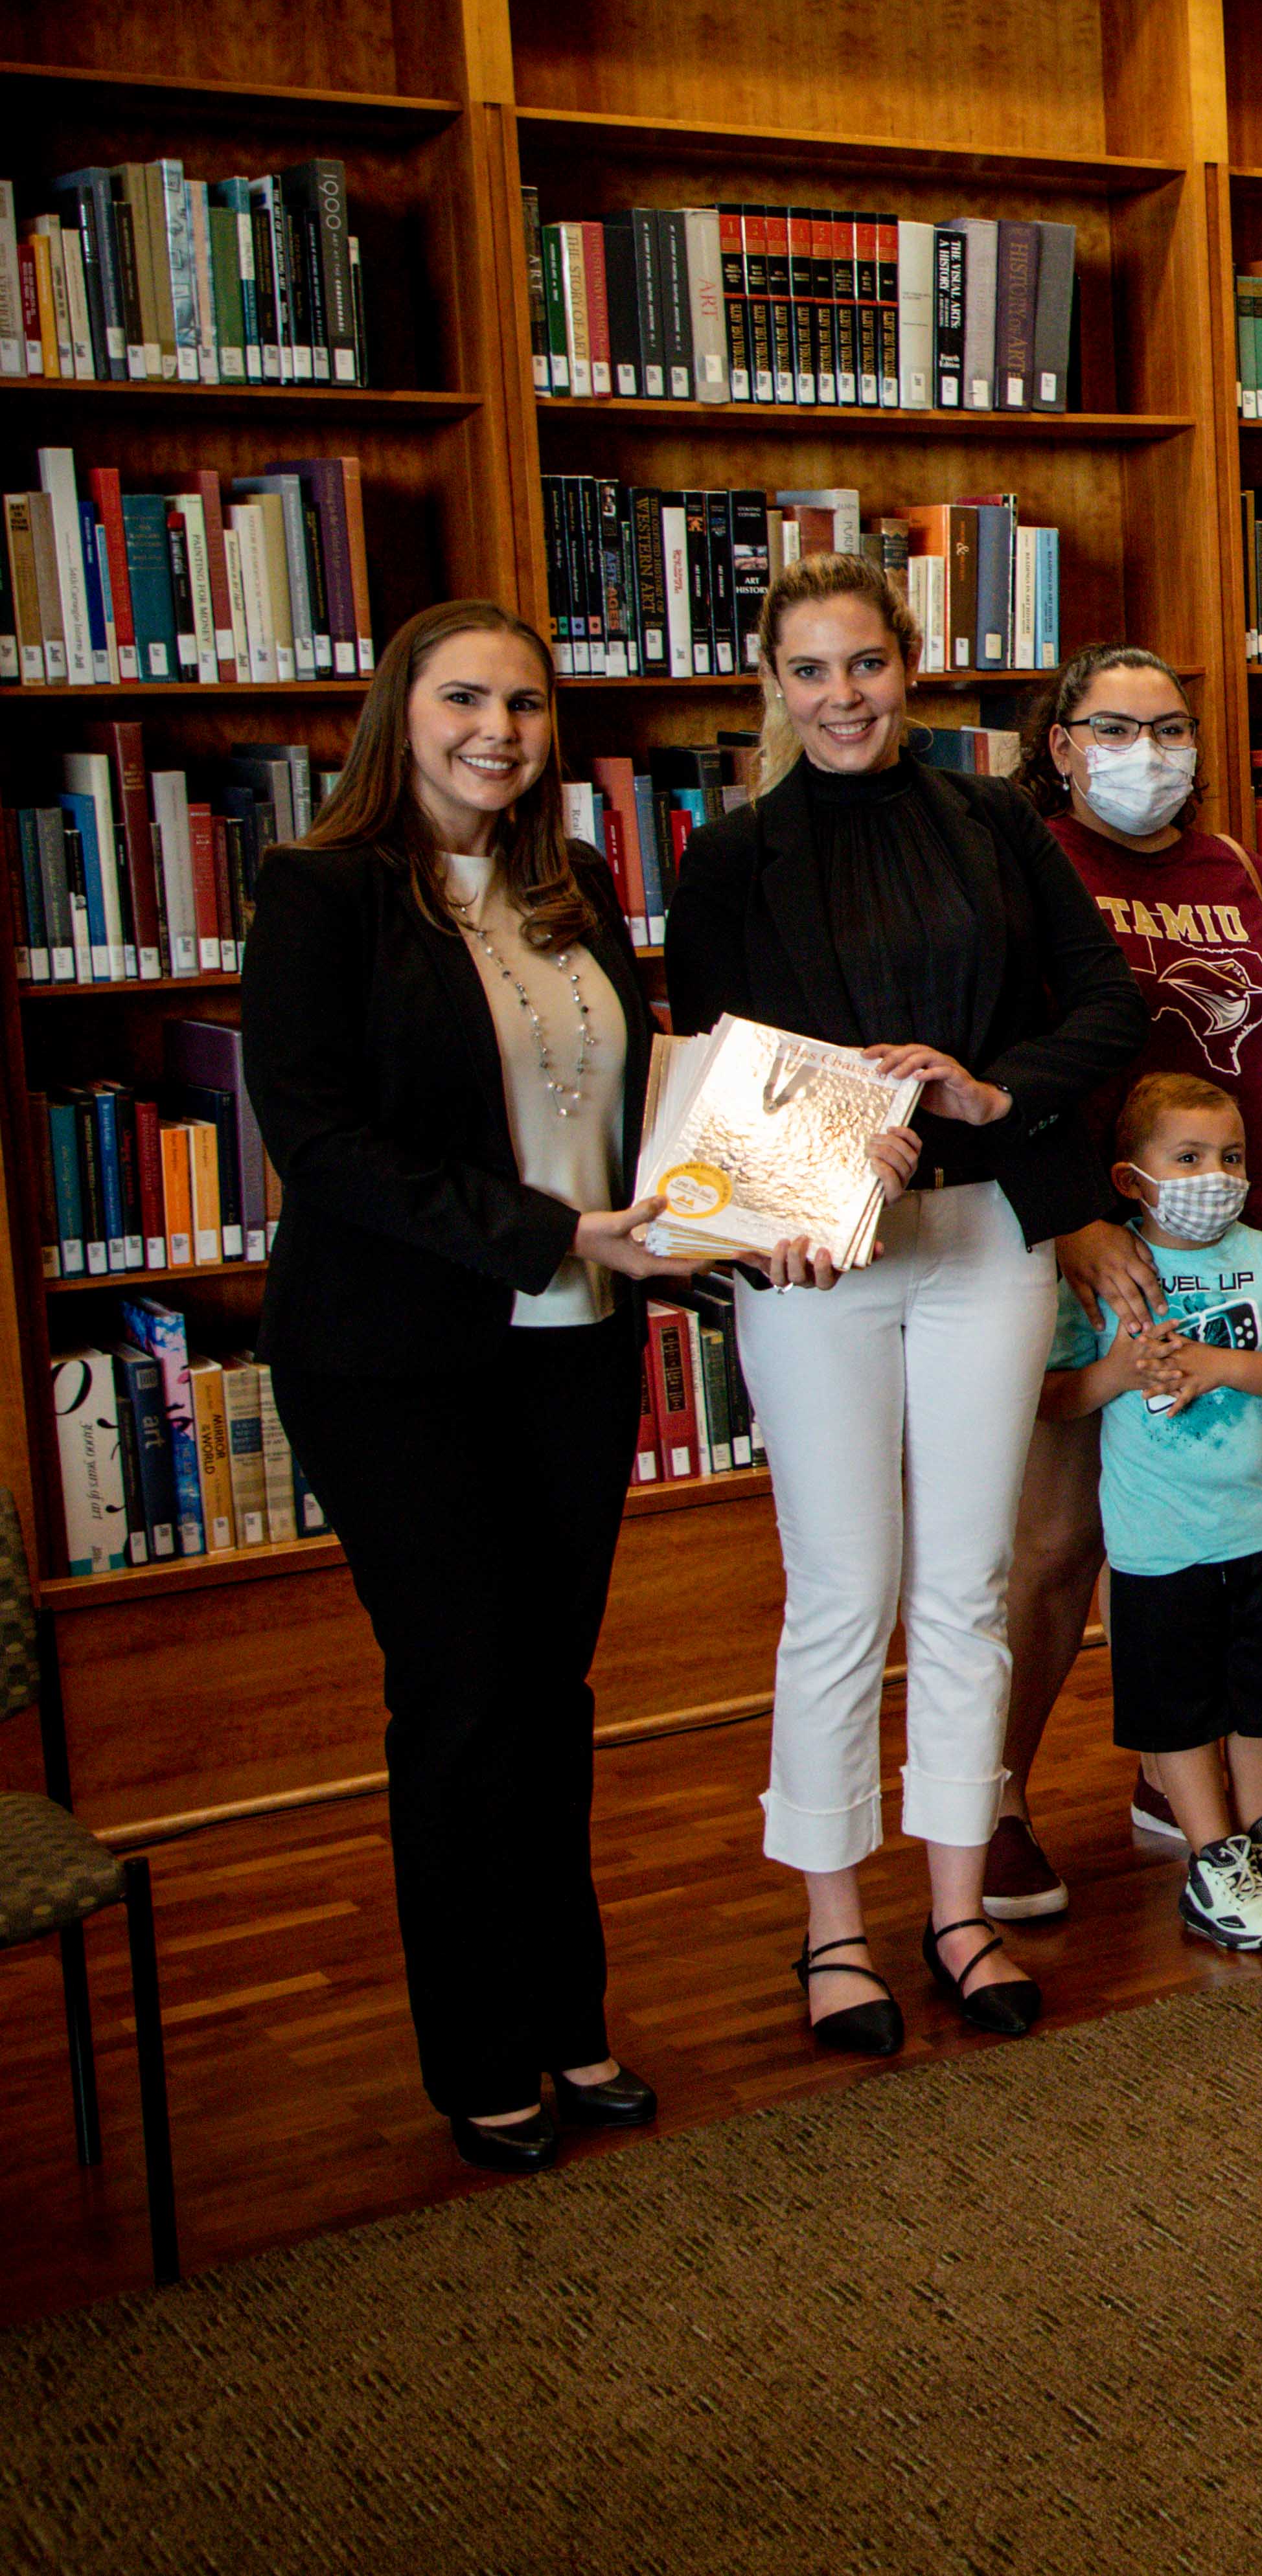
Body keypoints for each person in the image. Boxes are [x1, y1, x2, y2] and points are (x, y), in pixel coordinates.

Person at [666, 554, 1147, 2055]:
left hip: (983, 1241)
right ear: (775, 682)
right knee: (841, 1591)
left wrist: (994, 1092)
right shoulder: (729, 858)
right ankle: (832, 1927)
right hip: (824, 1261)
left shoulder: (999, 823)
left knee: (964, 1585)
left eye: (864, 664)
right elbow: (710, 1070)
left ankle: (954, 1906)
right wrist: (806, 1168)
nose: (841, 696)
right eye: (809, 670)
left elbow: (1106, 1009)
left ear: (911, 665)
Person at [246, 600, 702, 2174]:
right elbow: (317, 1137)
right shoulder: (321, 893)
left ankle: (571, 2017)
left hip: (573, 1343)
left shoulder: (564, 891)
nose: (497, 727)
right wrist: (548, 1231)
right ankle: (481, 2052)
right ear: (401, 710)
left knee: (552, 1693)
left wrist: (715, 1217)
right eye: (463, 697)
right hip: (393, 1355)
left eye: (523, 701)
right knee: (458, 1696)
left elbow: (629, 1108)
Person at [980, 644, 1262, 1924]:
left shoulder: (1230, 865)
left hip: (1224, 1239)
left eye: (1169, 726)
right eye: (1113, 726)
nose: (1146, 750)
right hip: (1090, 1240)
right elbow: (998, 1062)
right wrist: (1071, 1220)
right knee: (1062, 1544)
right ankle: (997, 1796)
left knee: (1209, 1530)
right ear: (1059, 741)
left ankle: (1174, 1784)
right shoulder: (1023, 860)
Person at [1039, 1074, 1262, 1952]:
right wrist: (1124, 1372)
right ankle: (1212, 1856)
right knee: (1177, 1706)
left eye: (1230, 1158)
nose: (1214, 1174)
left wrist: (1219, 1365)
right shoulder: (1107, 1274)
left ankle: (1261, 1840)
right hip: (1159, 1544)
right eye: (1187, 1157)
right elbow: (1056, 1396)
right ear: (1132, 1178)